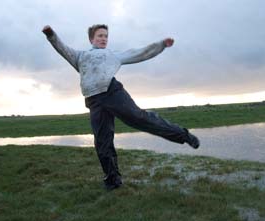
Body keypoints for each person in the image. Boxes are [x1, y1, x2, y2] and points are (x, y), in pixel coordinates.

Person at [42, 24, 200, 190]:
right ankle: (112, 181)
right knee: (102, 143)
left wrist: (161, 45)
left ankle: (184, 135)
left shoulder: (113, 55)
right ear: (91, 39)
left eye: (106, 36)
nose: (104, 39)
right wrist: (50, 34)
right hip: (94, 101)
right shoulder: (80, 56)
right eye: (100, 36)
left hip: (113, 93)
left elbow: (139, 53)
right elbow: (62, 49)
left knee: (140, 119)